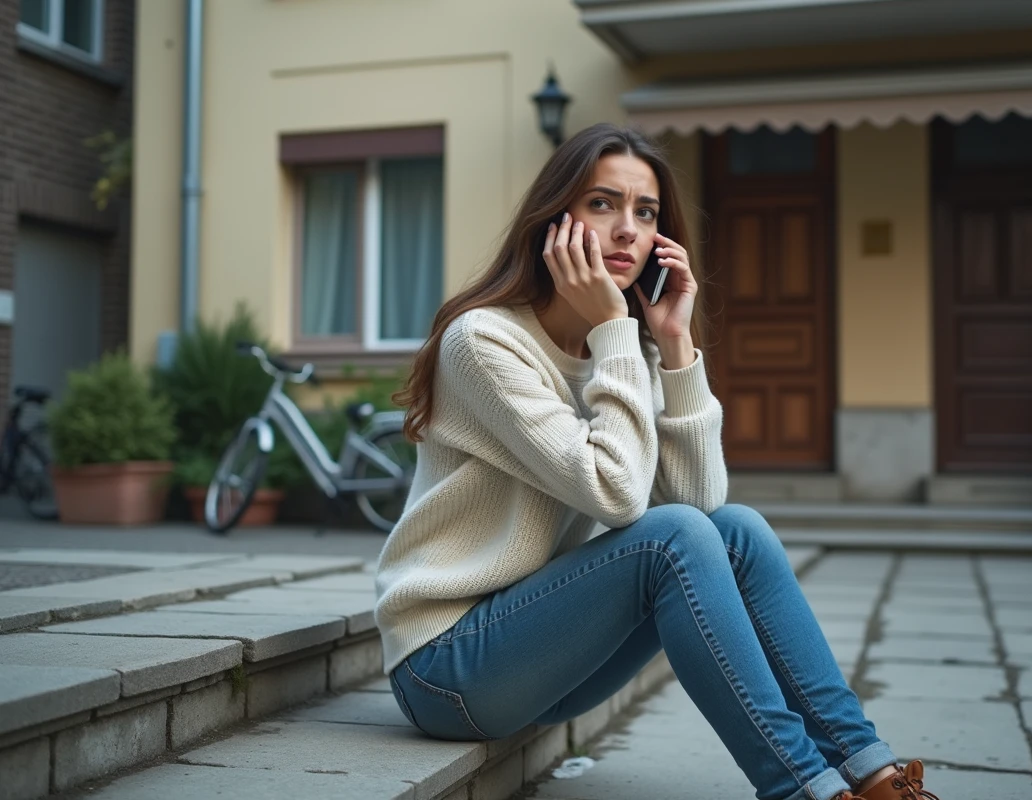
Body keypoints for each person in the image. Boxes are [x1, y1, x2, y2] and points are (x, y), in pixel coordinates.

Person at [378, 123, 939, 800]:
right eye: (602, 204)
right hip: (446, 669)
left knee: (738, 530)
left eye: (644, 213)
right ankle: (804, 791)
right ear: (554, 220)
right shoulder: (485, 342)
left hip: (544, 658)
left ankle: (873, 774)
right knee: (673, 540)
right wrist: (618, 331)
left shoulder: (625, 351)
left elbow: (698, 508)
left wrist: (674, 348)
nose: (626, 230)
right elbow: (619, 499)